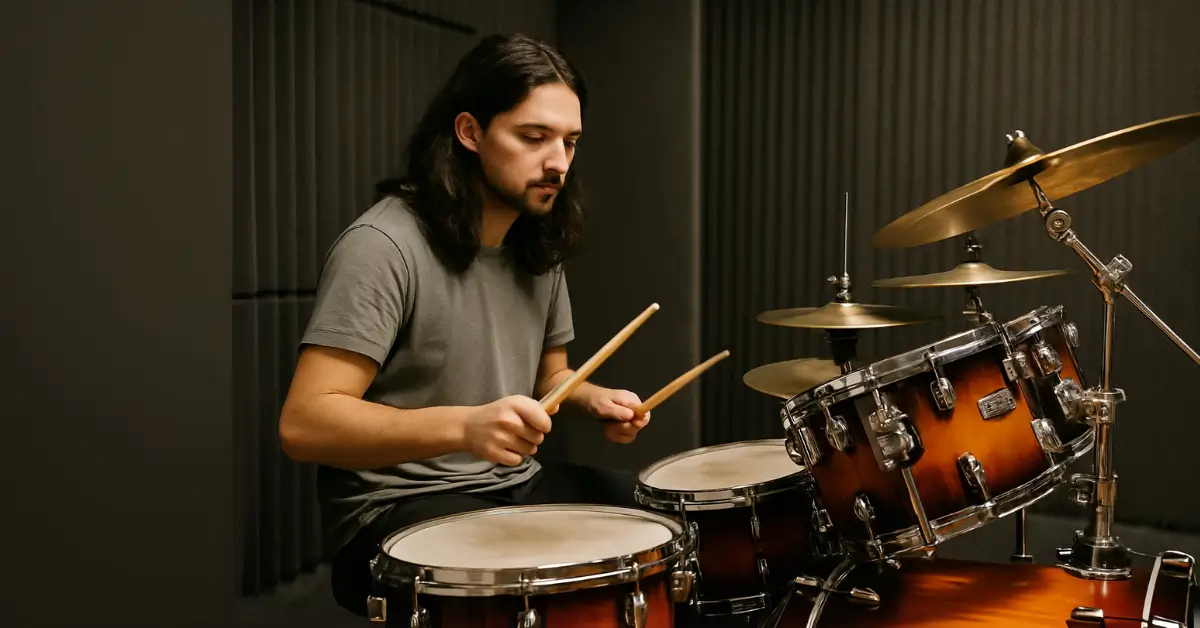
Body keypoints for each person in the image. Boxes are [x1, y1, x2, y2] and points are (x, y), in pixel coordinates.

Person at [277, 33, 652, 619]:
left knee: (665, 527)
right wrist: (466, 428)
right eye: (533, 138)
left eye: (570, 142)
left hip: (511, 485)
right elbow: (305, 423)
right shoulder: (383, 247)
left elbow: (548, 375)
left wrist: (594, 399)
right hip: (396, 508)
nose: (557, 162)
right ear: (470, 132)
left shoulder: (537, 244)